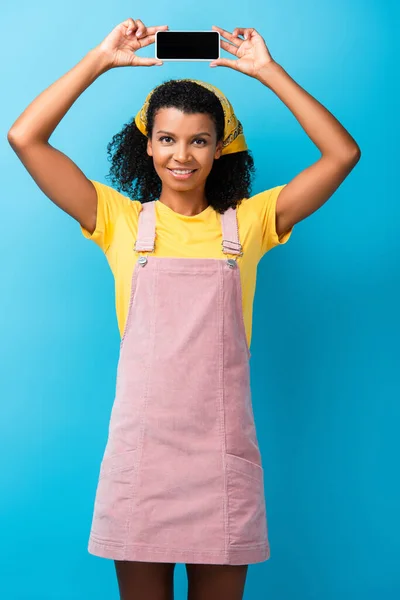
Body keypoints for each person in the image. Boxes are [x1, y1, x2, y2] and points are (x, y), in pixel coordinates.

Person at [7, 16, 361, 600]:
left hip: (221, 463)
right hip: (142, 458)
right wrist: (102, 59)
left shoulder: (249, 224)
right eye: (167, 138)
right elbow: (25, 137)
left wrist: (269, 72)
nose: (182, 155)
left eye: (199, 140)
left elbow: (342, 153)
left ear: (220, 148)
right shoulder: (118, 220)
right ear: (146, 145)